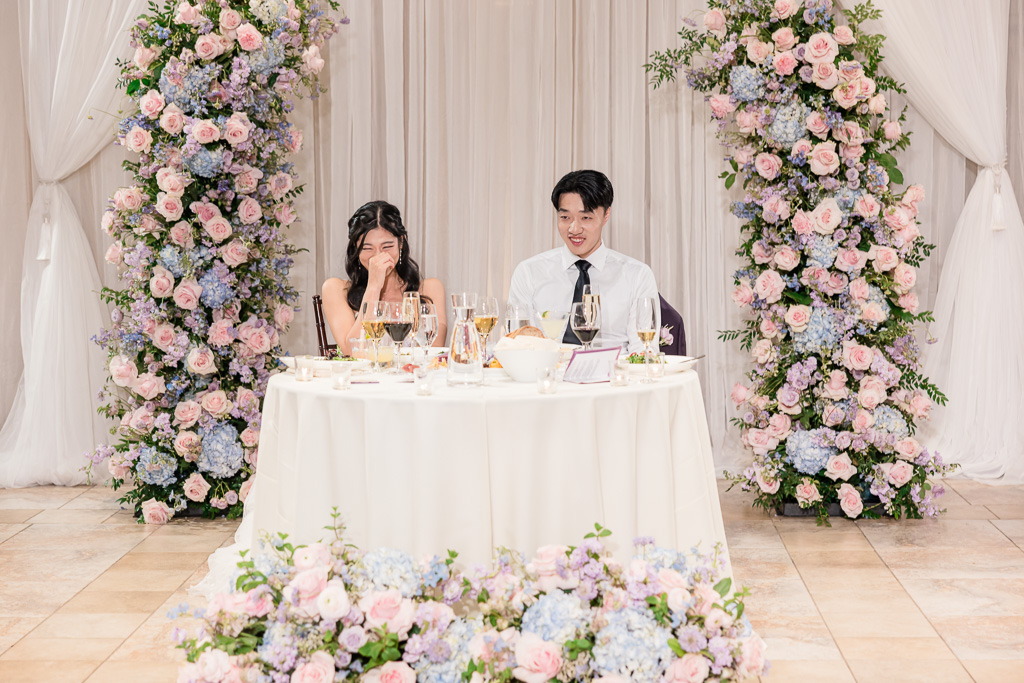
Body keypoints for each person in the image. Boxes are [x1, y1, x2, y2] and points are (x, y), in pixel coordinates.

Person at [507, 170, 659, 351]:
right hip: (547, 375)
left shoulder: (637, 275)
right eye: (565, 217)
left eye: (585, 217)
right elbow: (519, 347)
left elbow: (643, 352)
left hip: (614, 376)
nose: (574, 229)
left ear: (606, 214)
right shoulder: (529, 272)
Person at [322, 201, 447, 355]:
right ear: (356, 248)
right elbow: (352, 351)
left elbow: (435, 351)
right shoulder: (335, 289)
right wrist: (373, 286)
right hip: (364, 378)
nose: (378, 256)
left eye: (387, 247)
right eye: (367, 248)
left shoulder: (430, 288)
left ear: (400, 243)